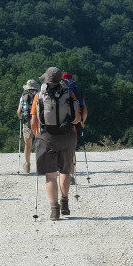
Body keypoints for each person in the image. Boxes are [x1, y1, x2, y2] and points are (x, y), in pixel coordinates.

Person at [30, 67, 81, 220]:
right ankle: (64, 202)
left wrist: (38, 136)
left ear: (46, 79)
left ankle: (54, 210)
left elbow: (34, 122)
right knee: (65, 171)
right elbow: (76, 118)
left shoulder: (39, 95)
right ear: (61, 79)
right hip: (67, 136)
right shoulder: (69, 93)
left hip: (47, 137)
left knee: (50, 176)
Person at [61, 73, 88, 185]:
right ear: (72, 79)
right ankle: (71, 175)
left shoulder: (58, 89)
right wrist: (82, 121)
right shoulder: (77, 91)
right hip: (75, 124)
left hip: (60, 124)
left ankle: (62, 174)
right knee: (71, 150)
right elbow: (85, 110)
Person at [16, 79, 40, 173]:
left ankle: (27, 165)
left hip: (27, 122)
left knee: (27, 145)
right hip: (38, 122)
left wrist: (21, 118)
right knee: (39, 144)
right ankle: (40, 165)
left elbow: (19, 111)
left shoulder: (23, 96)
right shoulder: (40, 95)